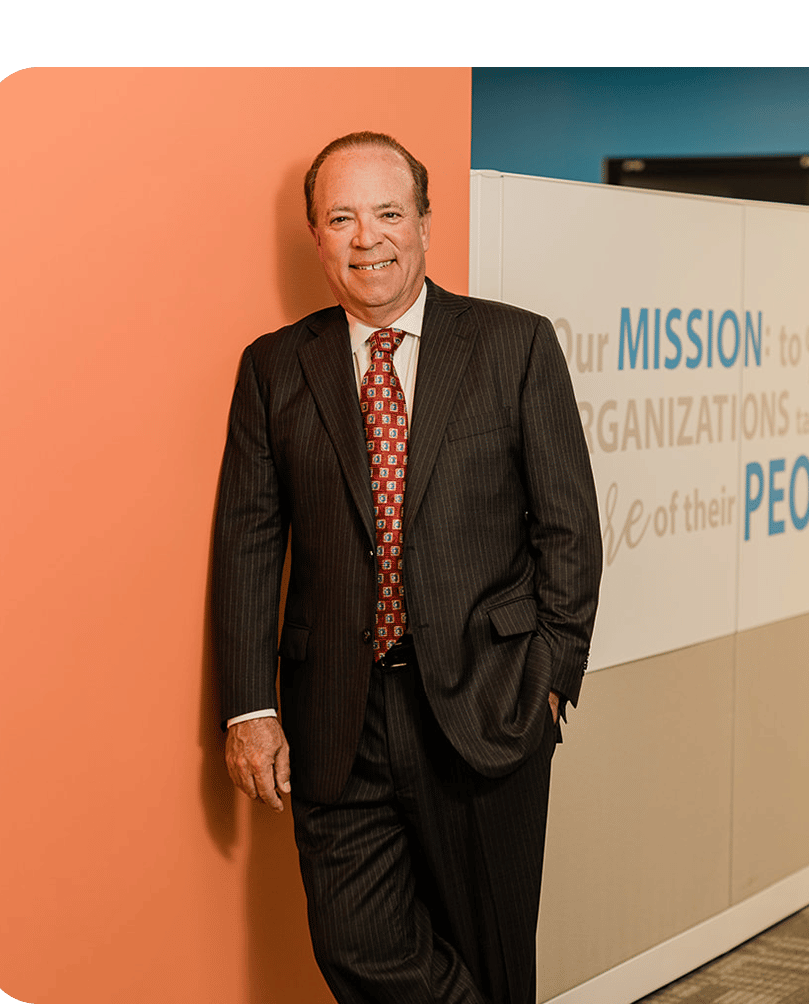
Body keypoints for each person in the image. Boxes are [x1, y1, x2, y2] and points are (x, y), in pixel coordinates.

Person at [212, 131, 602, 1004]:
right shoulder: (275, 367)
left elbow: (570, 528)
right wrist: (249, 706)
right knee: (358, 945)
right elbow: (247, 540)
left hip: (486, 704)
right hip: (333, 719)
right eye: (341, 217)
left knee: (493, 956)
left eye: (388, 213)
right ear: (315, 235)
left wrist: (550, 676)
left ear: (426, 222)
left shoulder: (515, 346)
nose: (367, 238)